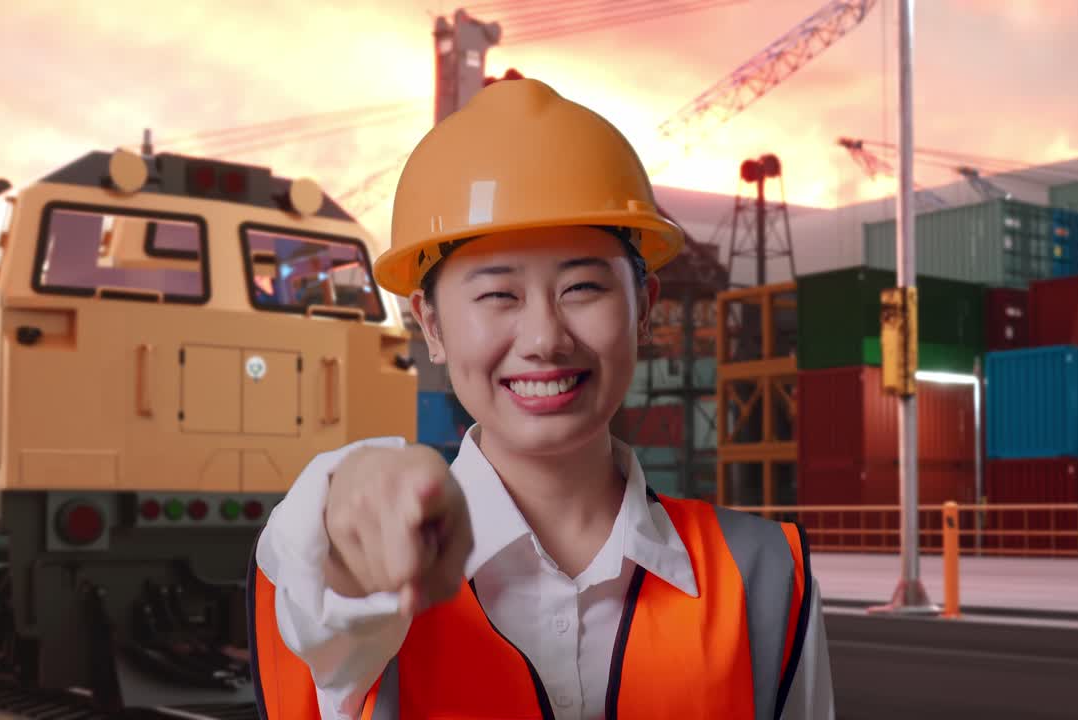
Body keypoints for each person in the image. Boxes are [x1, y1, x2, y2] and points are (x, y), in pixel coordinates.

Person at [247, 77, 835, 720]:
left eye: (582, 287)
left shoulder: (763, 575)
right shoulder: (365, 580)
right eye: (498, 294)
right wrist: (350, 497)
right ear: (432, 325)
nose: (545, 339)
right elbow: (312, 572)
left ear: (645, 310)